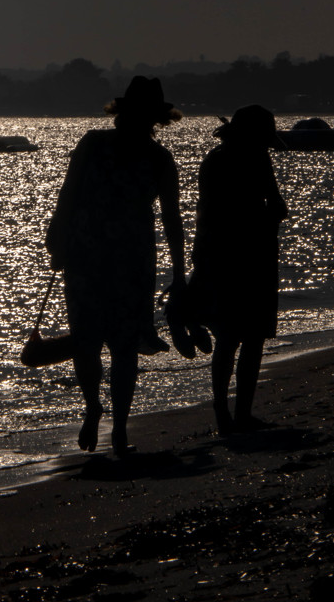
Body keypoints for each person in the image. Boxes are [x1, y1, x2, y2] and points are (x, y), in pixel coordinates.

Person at [45, 76, 185, 457]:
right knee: (122, 347)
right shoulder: (157, 157)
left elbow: (67, 195)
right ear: (157, 119)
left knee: (88, 341)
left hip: (90, 254)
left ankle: (97, 410)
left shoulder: (95, 144)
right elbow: (171, 219)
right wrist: (179, 273)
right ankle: (117, 426)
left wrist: (58, 239)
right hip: (128, 257)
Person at [187, 104, 287, 435]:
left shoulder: (214, 161)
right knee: (251, 337)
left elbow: (206, 215)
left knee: (229, 338)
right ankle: (240, 413)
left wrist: (199, 260)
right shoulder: (258, 160)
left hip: (219, 255)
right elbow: (277, 206)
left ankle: (224, 413)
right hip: (253, 255)